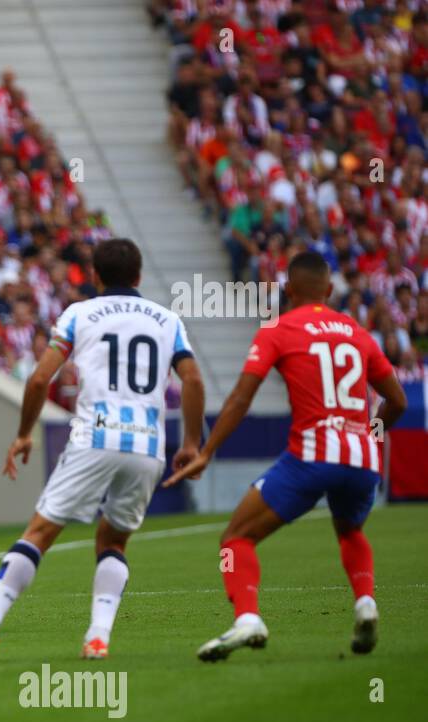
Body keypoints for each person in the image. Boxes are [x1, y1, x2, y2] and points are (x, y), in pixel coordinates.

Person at [0, 238, 206, 662]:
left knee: (40, 534)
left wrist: (24, 433)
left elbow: (41, 379)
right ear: (138, 277)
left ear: (94, 275)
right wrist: (191, 443)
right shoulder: (167, 320)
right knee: (114, 541)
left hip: (94, 436)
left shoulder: (80, 314)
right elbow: (192, 380)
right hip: (146, 445)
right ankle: (98, 636)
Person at [164, 252, 408, 660]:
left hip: (313, 455)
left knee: (234, 539)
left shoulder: (279, 329)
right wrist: (371, 434)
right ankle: (365, 602)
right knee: (349, 531)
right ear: (329, 291)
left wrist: (207, 451)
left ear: (288, 290)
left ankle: (247, 619)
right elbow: (396, 399)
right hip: (362, 458)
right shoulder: (358, 333)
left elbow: (242, 397)